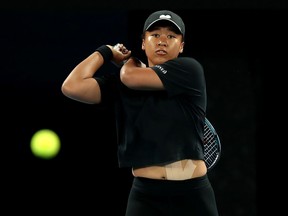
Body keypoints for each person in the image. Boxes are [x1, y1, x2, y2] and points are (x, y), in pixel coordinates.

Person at [61, 10, 219, 216]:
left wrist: (128, 60)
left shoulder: (189, 69)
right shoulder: (121, 84)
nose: (162, 41)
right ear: (144, 42)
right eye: (155, 35)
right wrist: (105, 52)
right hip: (146, 197)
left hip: (193, 194)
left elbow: (130, 77)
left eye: (171, 36)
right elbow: (71, 86)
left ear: (181, 46)